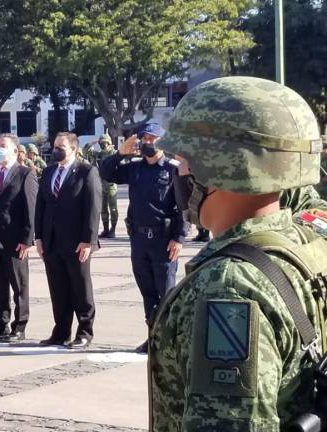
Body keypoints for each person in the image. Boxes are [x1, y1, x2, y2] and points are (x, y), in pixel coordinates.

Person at [149, 76, 327, 430]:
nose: (177, 170)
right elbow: (306, 199)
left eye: (183, 158)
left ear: (215, 168)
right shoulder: (309, 237)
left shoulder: (228, 286)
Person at [100, 122, 186, 353]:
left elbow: (183, 207)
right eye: (144, 139)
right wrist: (120, 153)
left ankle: (170, 342)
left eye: (152, 138)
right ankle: (153, 337)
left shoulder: (172, 169)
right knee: (147, 292)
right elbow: (105, 172)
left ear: (161, 141)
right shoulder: (135, 168)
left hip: (163, 240)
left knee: (165, 293)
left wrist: (179, 237)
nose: (148, 142)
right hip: (139, 240)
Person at [35, 132, 102, 348]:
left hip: (77, 242)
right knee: (58, 289)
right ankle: (61, 331)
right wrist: (38, 236)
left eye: (61, 146)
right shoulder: (49, 171)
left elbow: (93, 208)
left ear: (73, 149)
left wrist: (88, 240)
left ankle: (84, 331)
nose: (56, 150)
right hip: (52, 241)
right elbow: (41, 206)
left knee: (80, 288)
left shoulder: (86, 171)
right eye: (55, 145)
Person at [0, 134, 38, 342]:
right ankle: (1, 323)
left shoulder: (25, 174)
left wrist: (27, 239)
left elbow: (31, 210)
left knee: (19, 285)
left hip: (15, 239)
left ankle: (19, 326)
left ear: (15, 150)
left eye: (3, 146)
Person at [85, 134, 119, 238]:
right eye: (102, 143)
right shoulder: (98, 154)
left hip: (111, 185)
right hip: (101, 185)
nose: (103, 145)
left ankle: (112, 230)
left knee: (113, 208)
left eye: (105, 143)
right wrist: (92, 143)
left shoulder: (114, 153)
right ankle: (105, 229)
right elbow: (85, 151)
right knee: (103, 208)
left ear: (109, 143)